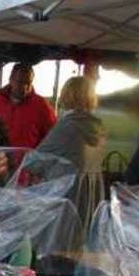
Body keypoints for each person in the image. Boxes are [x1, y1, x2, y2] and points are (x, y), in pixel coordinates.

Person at [37, 76, 106, 234]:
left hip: (66, 197)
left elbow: (35, 162)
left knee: (58, 246)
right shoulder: (98, 127)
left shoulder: (68, 127)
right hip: (90, 197)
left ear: (67, 95)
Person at [0, 62, 57, 149]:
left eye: (28, 83)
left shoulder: (42, 106)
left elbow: (53, 137)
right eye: (20, 82)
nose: (24, 87)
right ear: (11, 80)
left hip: (30, 161)